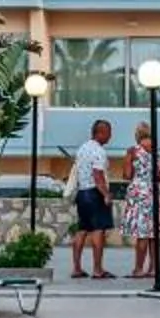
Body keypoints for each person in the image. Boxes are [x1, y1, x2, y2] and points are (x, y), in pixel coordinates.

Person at [68, 119, 115, 279]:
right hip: (94, 193)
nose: (110, 136)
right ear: (100, 133)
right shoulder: (99, 151)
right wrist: (106, 194)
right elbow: (98, 175)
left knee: (82, 230)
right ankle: (97, 269)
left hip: (82, 193)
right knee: (98, 231)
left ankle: (76, 268)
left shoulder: (82, 148)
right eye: (108, 132)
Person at [123, 122, 160, 281]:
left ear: (137, 135)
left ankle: (138, 268)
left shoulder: (133, 151)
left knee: (142, 234)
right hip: (155, 192)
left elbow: (126, 174)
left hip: (139, 193)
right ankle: (153, 268)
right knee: (154, 234)